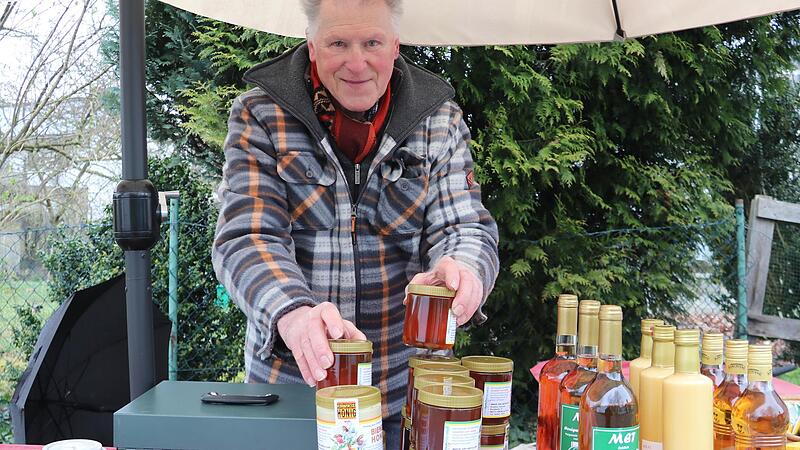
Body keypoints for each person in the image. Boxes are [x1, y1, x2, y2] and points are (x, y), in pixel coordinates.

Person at [211, 0, 499, 446]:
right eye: (338, 43)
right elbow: (246, 236)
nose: (357, 62)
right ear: (311, 47)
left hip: (404, 395)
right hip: (295, 389)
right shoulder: (259, 114)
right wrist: (293, 313)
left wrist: (464, 268)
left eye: (372, 43)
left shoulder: (439, 119)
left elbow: (465, 227)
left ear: (395, 46)